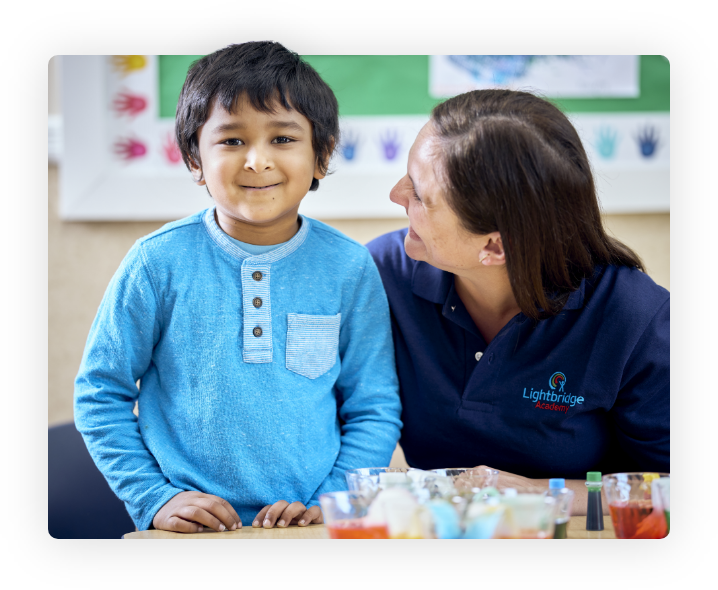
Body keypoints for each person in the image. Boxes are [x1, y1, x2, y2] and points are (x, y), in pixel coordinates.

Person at [74, 42, 402, 533]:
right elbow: (99, 392)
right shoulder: (155, 262)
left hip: (309, 523)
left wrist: (334, 499)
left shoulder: (349, 267)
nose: (256, 161)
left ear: (322, 154)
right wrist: (153, 498)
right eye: (230, 141)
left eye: (283, 139)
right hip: (185, 527)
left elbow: (373, 406)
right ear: (193, 159)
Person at [367, 90, 669, 514]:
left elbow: (665, 488)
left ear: (494, 247)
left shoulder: (635, 317)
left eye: (419, 194)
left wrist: (542, 493)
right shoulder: (381, 275)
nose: (396, 195)